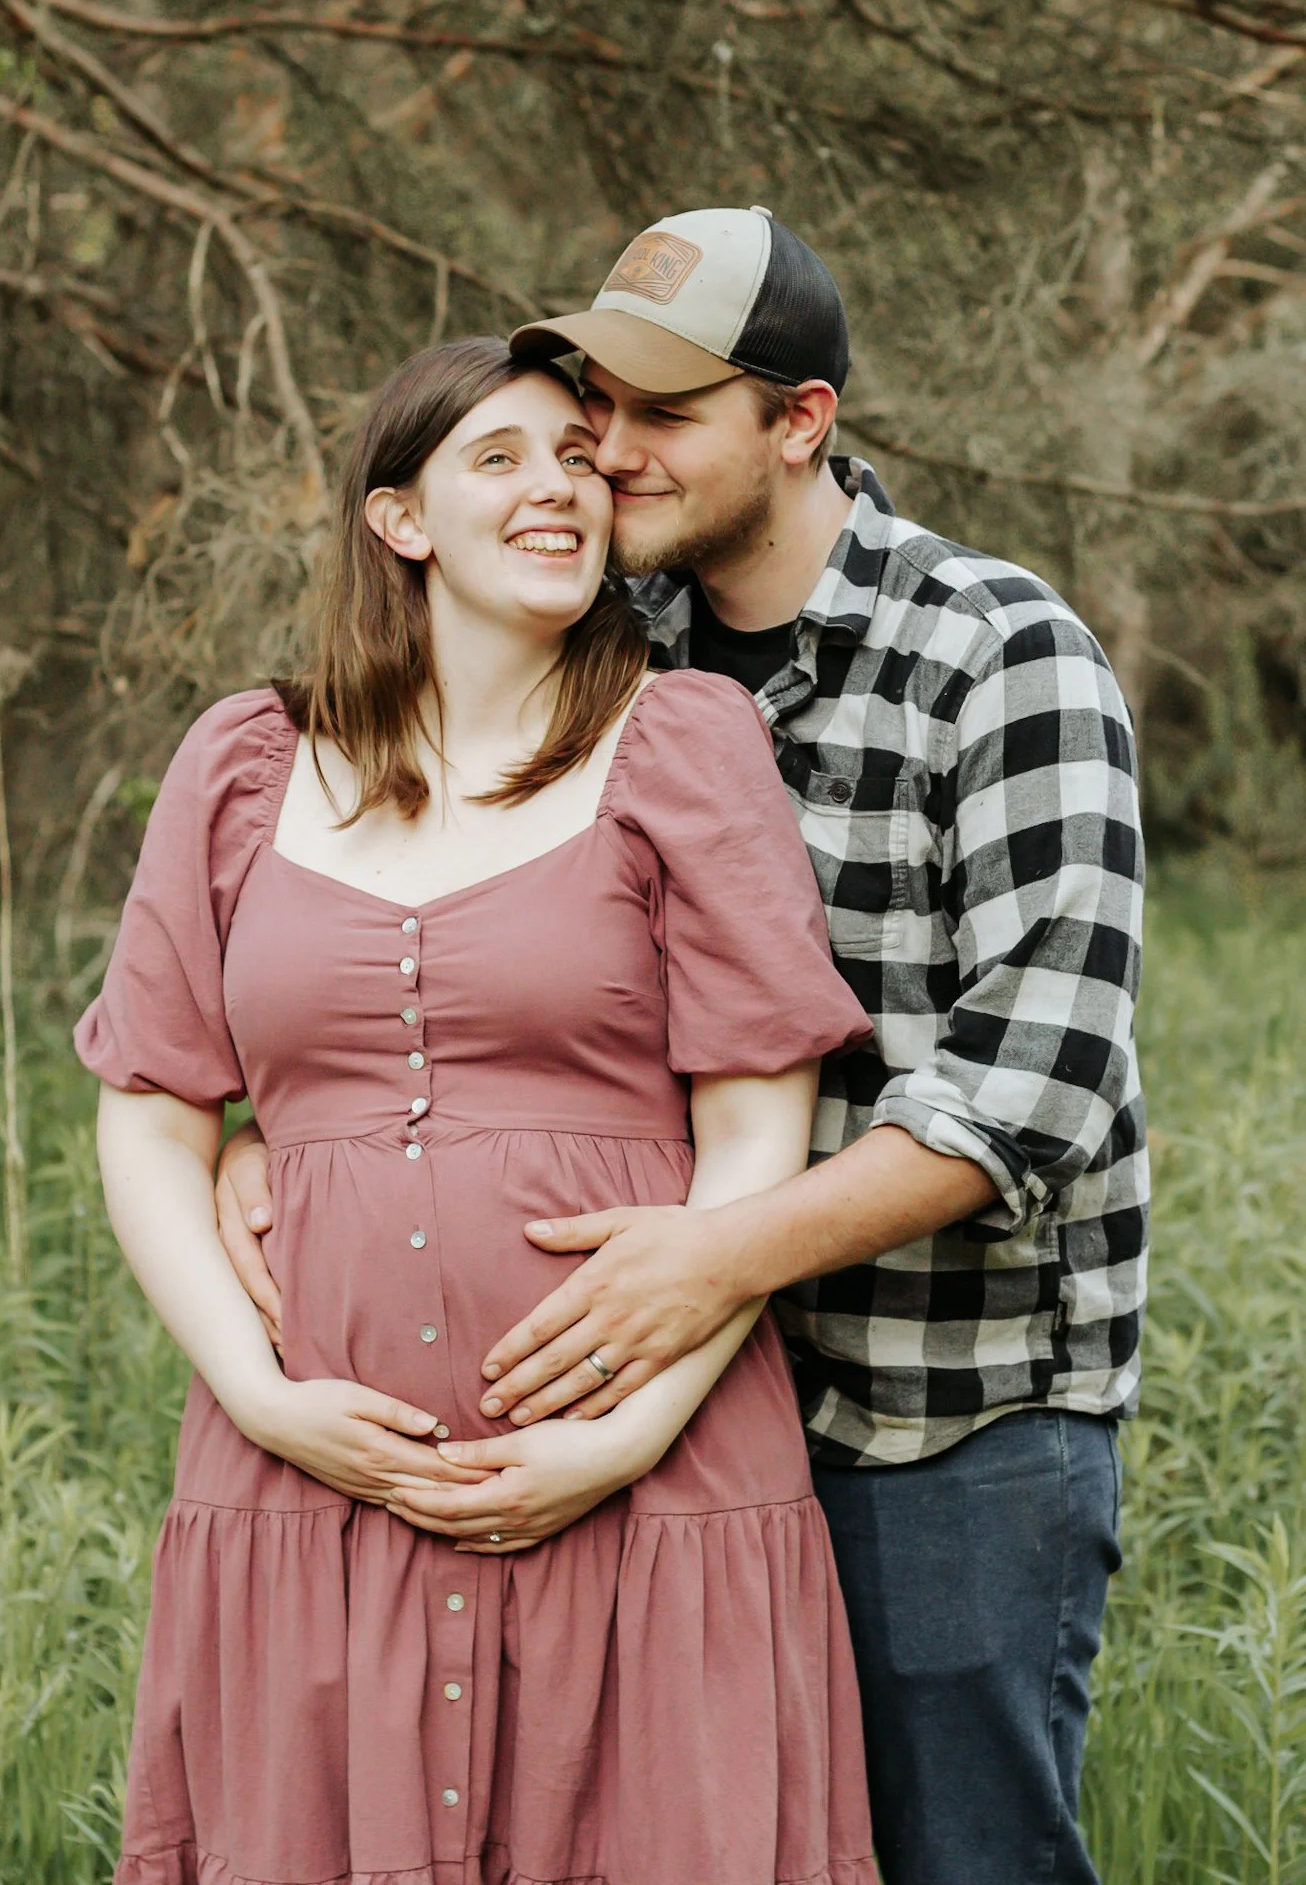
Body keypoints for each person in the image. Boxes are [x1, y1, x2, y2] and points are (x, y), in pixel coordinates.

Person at [219, 207, 1148, 1885]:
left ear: (798, 422)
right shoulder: (592, 648)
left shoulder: (996, 655)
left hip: (932, 1417)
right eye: (592, 413)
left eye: (660, 416)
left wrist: (714, 1261)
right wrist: (270, 1129)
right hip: (649, 1426)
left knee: (958, 1856)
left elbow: (1036, 1087)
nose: (606, 456)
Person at [75, 335, 879, 1885]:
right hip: (313, 1488)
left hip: (648, 1488)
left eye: (579, 460)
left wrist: (626, 1436)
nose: (559, 488)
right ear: (401, 521)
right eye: (499, 459)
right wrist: (259, 1398)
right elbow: (152, 1117)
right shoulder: (247, 766)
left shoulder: (685, 744)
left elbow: (755, 1137)